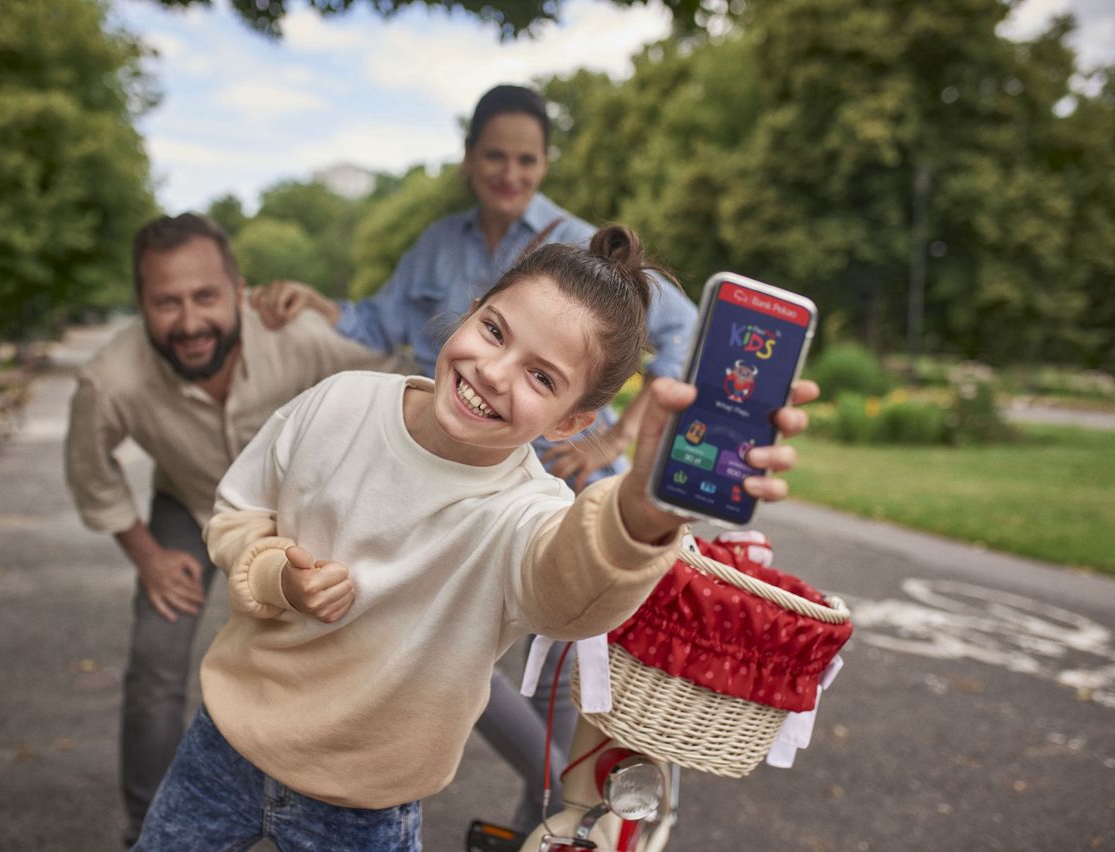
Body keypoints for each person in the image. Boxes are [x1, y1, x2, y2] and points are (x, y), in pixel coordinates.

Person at [135, 225, 816, 851]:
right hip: (222, 745)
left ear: (568, 422)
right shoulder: (338, 402)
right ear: (468, 312)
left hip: (364, 804)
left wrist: (643, 506)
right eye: (494, 331)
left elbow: (566, 587)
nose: (494, 371)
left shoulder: (527, 510)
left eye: (540, 377)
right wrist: (274, 573)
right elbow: (237, 510)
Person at [254, 83, 699, 830]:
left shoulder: (579, 247)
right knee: (452, 645)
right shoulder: (439, 245)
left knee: (559, 679)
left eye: (527, 159)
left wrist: (611, 440)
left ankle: (553, 821)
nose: (510, 172)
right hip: (447, 483)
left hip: (548, 485)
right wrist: (314, 303)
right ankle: (560, 805)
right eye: (495, 155)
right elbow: (377, 317)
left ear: (546, 162)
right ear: (469, 159)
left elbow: (679, 326)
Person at [63, 213, 390, 847]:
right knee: (156, 664)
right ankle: (146, 830)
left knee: (392, 645)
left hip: (302, 519)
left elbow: (390, 359)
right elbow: (89, 470)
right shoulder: (109, 378)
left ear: (238, 289)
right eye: (166, 302)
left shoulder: (296, 334)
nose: (189, 323)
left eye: (205, 296)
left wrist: (329, 305)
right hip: (188, 508)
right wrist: (146, 554)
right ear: (141, 305)